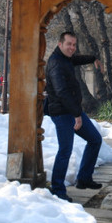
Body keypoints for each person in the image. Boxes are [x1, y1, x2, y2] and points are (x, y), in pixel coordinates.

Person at [44, 31, 104, 202]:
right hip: (62, 113)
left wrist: (93, 58)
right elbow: (62, 92)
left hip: (72, 110)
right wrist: (76, 115)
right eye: (69, 44)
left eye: (74, 45)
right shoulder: (56, 64)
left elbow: (76, 59)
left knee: (95, 139)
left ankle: (84, 178)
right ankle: (57, 189)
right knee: (65, 150)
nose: (72, 48)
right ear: (59, 44)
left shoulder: (65, 58)